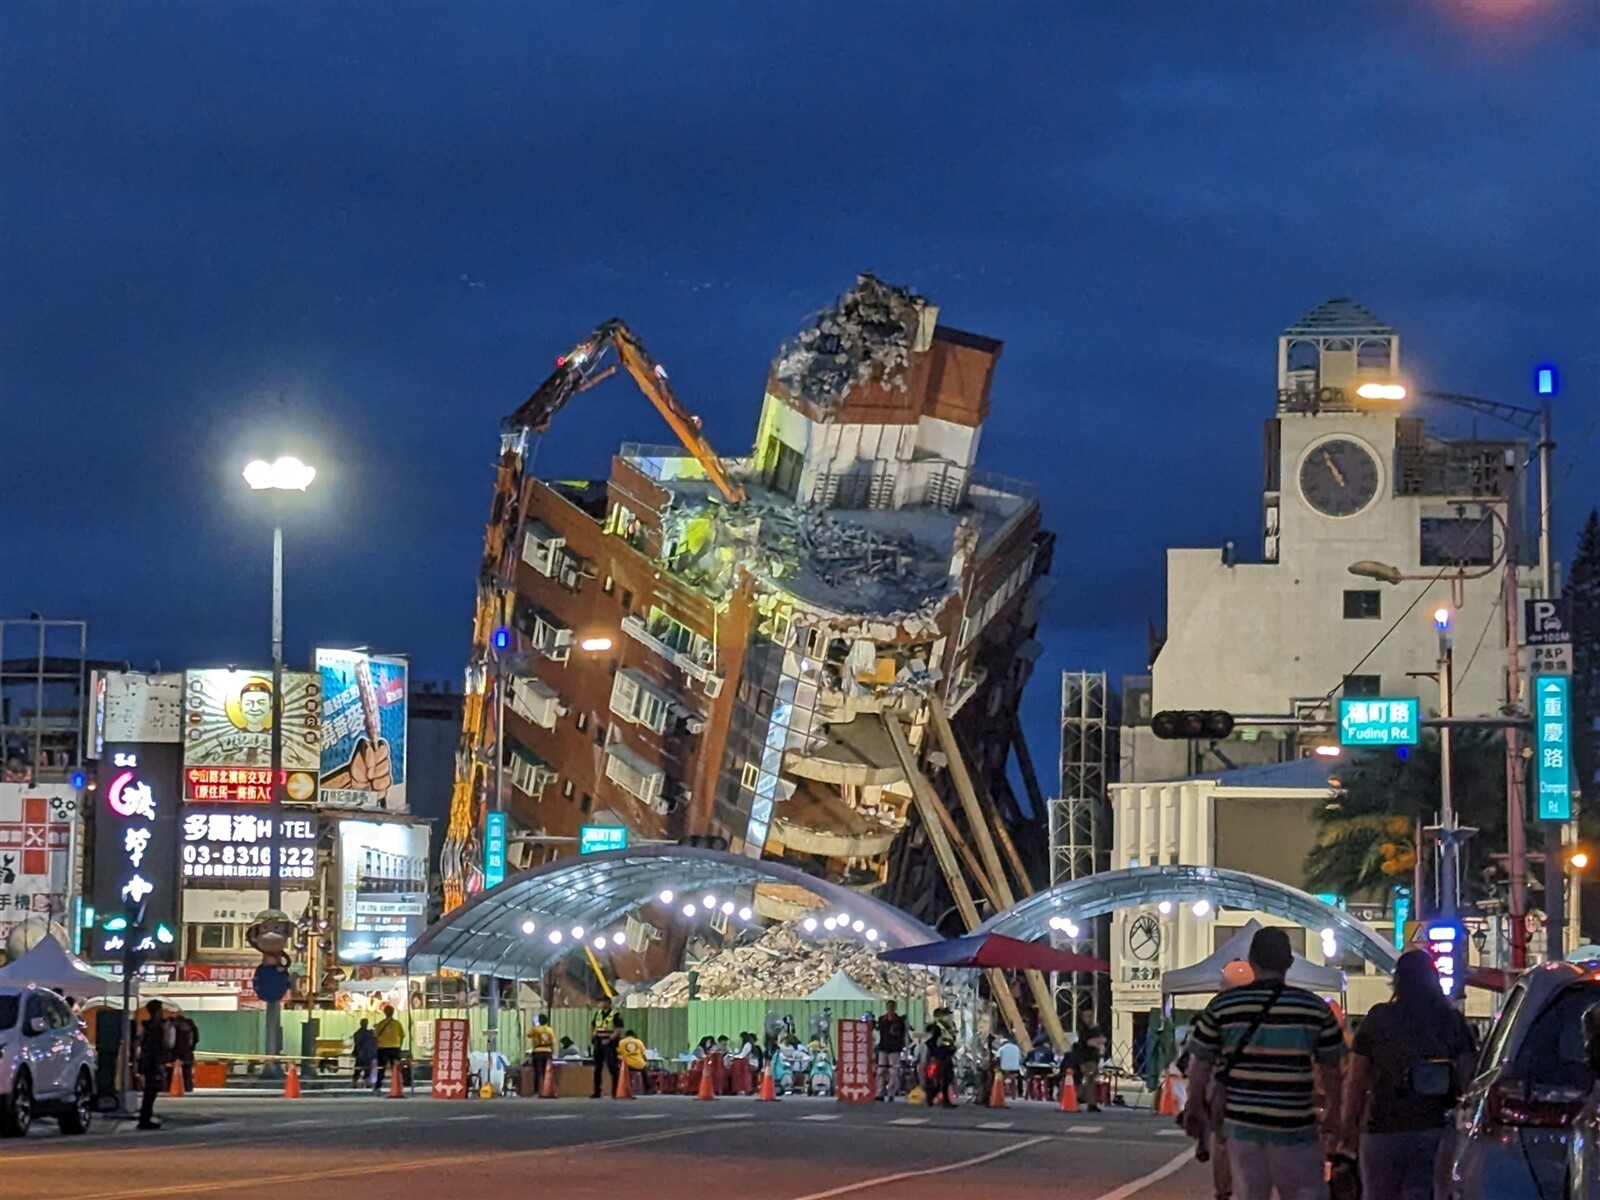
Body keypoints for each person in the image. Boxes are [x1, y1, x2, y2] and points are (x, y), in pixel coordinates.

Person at [1186, 928, 1346, 1200]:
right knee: (1306, 1192)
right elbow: (1332, 1068)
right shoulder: (1314, 1008)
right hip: (1295, 1125)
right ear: (1289, 963)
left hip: (1242, 1126)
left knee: (1248, 1192)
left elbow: (1199, 1063)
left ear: (1251, 961)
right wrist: (1334, 1112)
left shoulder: (1223, 1006)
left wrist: (1195, 1104)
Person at [1339, 949, 1477, 1200]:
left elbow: (1356, 1079)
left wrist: (1348, 1127)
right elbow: (1469, 1080)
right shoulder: (1451, 1021)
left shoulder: (1378, 1019)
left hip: (1382, 1127)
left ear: (1397, 981)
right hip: (1435, 1127)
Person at [136, 999, 173, 1130]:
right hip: (154, 1061)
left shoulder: (145, 1025)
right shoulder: (161, 1026)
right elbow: (167, 1043)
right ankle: (145, 1118)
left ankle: (145, 1117)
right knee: (151, 1090)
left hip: (147, 1060)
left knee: (150, 1090)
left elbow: (139, 1042)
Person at [874, 1000, 908, 1101]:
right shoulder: (882, 1020)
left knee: (894, 1072)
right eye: (889, 1007)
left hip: (895, 1048)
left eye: (892, 1007)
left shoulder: (899, 1021)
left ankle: (891, 1093)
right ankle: (879, 1092)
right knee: (881, 1070)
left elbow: (903, 1034)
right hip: (883, 1047)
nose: (890, 1009)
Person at [925, 1007, 958, 1108]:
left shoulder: (949, 1027)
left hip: (947, 1054)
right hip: (939, 1056)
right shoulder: (935, 1027)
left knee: (948, 1077)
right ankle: (933, 1096)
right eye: (946, 1015)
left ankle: (943, 1098)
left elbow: (951, 1040)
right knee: (939, 1077)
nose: (949, 1017)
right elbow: (930, 1042)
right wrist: (936, 1051)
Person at [372, 1004, 405, 1093]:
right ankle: (397, 1086)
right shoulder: (397, 1023)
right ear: (393, 1013)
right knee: (395, 1068)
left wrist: (377, 1046)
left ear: (385, 1013)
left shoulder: (381, 1023)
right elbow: (402, 1036)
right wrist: (399, 1046)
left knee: (381, 1068)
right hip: (395, 1048)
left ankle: (378, 1086)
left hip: (382, 1048)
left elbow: (375, 1035)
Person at [1076, 1016, 1107, 1112]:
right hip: (1087, 1059)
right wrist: (1097, 1042)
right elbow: (1089, 1042)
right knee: (1088, 1081)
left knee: (1091, 1081)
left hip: (1093, 1059)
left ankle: (1088, 1100)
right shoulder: (1084, 1031)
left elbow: (1103, 1040)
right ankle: (1082, 1098)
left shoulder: (1093, 1030)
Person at [590, 1003, 620, 1098]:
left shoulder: (615, 1014)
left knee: (612, 1067)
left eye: (603, 1001)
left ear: (608, 1002)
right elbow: (593, 1025)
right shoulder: (598, 1013)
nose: (601, 1004)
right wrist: (592, 1036)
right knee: (597, 1068)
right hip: (598, 1042)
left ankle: (616, 1091)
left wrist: (610, 1039)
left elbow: (618, 1029)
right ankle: (597, 1091)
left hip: (609, 1044)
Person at [171, 1010, 199, 1093]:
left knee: (172, 1073)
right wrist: (192, 1048)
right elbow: (196, 1039)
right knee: (187, 1074)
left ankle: (175, 1089)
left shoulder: (172, 1025)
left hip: (175, 1054)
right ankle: (188, 1088)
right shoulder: (191, 1025)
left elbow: (170, 1040)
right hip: (188, 1053)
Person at [527, 1014, 555, 1095]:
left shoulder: (536, 1029)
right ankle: (546, 1089)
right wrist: (552, 1051)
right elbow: (553, 1042)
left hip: (537, 1051)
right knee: (546, 1072)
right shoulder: (550, 1030)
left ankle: (537, 1090)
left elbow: (528, 1035)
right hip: (547, 1051)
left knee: (537, 1072)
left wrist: (535, 1025)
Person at [617, 1028, 648, 1094]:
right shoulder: (639, 1042)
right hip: (640, 1064)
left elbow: (618, 1053)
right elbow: (643, 1055)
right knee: (645, 1072)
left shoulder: (621, 1042)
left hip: (628, 1065)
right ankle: (648, 1089)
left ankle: (624, 1089)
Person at [996, 1032, 1023, 1100]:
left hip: (1004, 1070)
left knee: (998, 1076)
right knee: (1018, 1079)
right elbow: (1020, 1059)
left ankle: (1001, 1092)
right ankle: (1017, 1094)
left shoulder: (1001, 1048)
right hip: (1015, 1070)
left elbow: (998, 1058)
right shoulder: (1016, 1048)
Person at [352, 1018, 377, 1088]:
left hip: (361, 1054)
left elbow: (357, 1044)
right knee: (367, 1069)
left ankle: (355, 1083)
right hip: (367, 1054)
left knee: (358, 1069)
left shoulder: (357, 1034)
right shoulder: (369, 1034)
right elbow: (374, 1043)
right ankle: (367, 1083)